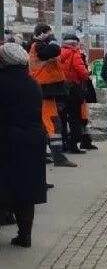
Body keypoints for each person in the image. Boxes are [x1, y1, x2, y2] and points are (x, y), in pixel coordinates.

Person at [0, 42, 48, 247]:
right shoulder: (33, 84)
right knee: (26, 190)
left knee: (5, 186)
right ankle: (25, 234)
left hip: (7, 141)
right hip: (32, 141)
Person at [27, 24, 76, 167]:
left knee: (45, 125)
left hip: (45, 90)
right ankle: (58, 157)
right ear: (42, 34)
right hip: (43, 90)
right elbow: (54, 51)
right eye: (49, 33)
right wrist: (53, 41)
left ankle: (42, 155)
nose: (51, 36)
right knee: (53, 125)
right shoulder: (38, 46)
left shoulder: (37, 46)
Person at [59, 34, 90, 154]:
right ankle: (73, 145)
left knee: (62, 117)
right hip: (74, 89)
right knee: (75, 117)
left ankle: (62, 143)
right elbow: (82, 72)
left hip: (61, 88)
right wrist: (87, 73)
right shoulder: (74, 54)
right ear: (74, 44)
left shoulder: (59, 53)